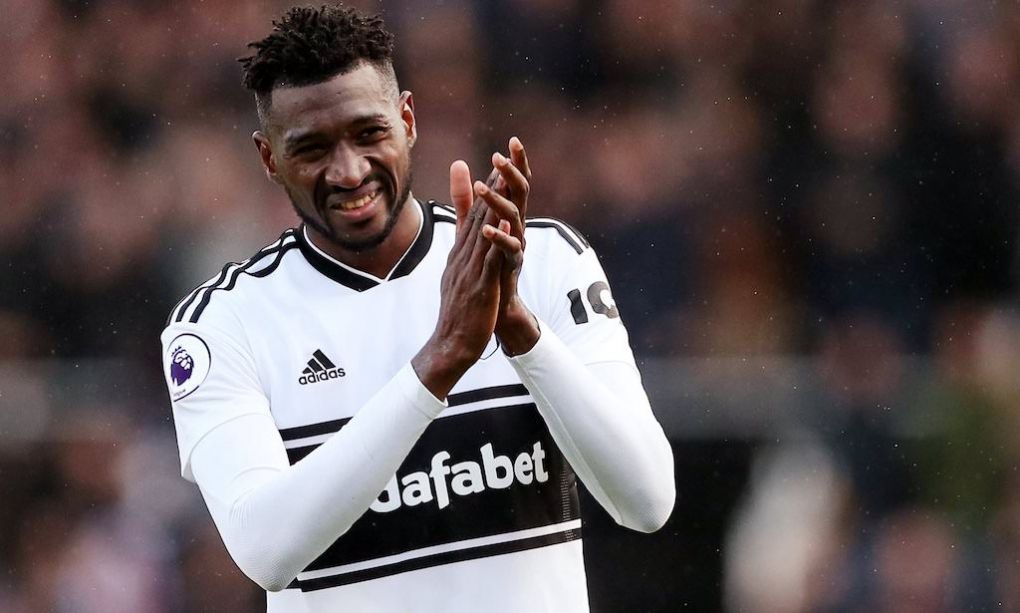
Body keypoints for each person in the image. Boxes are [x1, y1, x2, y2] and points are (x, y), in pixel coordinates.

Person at [160, 5, 674, 612]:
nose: (348, 172)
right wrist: (438, 364)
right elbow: (266, 551)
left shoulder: (544, 262)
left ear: (407, 119)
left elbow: (646, 502)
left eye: (368, 133)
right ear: (270, 159)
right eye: (312, 149)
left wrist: (522, 333)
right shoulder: (222, 325)